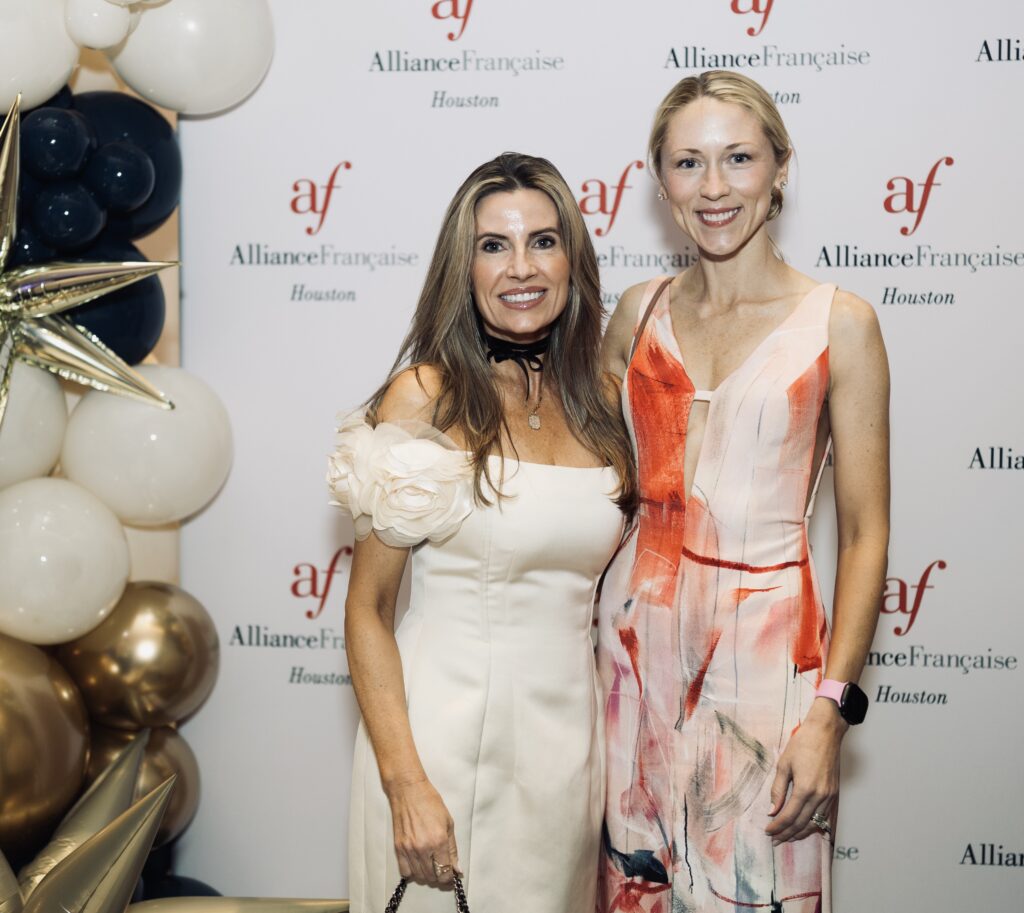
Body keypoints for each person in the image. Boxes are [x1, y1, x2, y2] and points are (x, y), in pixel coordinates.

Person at [597, 71, 890, 913]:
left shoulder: (839, 322)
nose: (714, 187)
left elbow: (866, 531)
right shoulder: (636, 313)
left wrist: (829, 714)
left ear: (781, 168)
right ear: (659, 182)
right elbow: (600, 487)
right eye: (689, 162)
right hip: (629, 667)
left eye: (739, 158)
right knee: (634, 890)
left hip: (768, 675)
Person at [328, 152, 636, 913]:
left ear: (573, 257)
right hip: (439, 752)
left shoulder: (601, 403)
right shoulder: (426, 397)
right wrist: (406, 785)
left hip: (567, 760)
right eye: (493, 245)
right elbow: (367, 610)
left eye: (543, 239)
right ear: (462, 267)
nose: (520, 267)